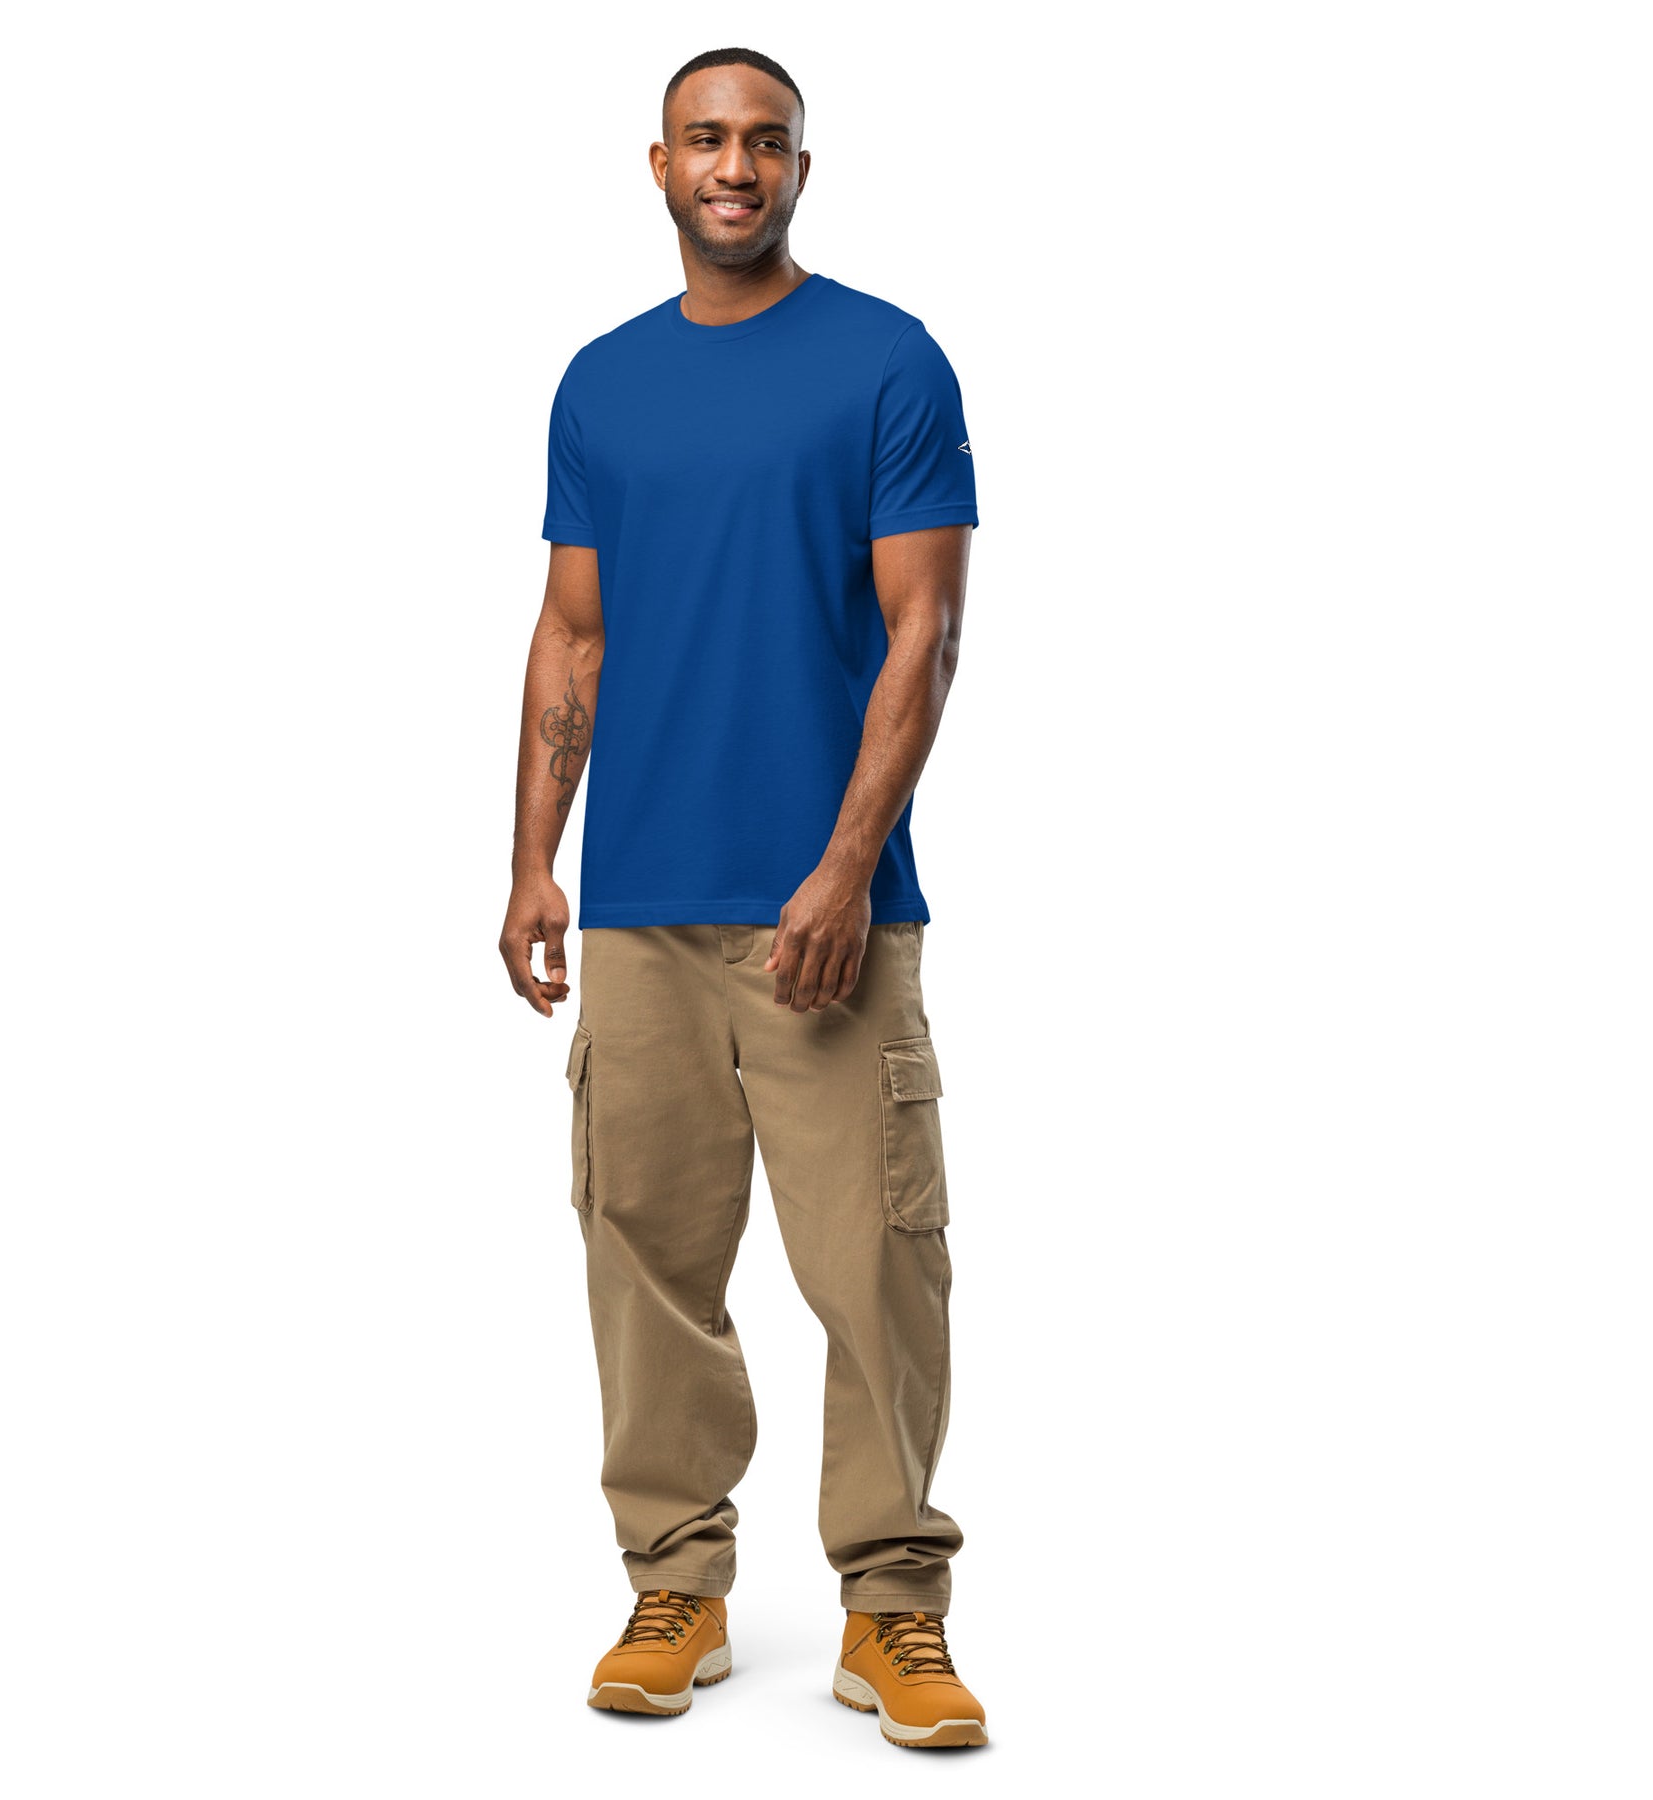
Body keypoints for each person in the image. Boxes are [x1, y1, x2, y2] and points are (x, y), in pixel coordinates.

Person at [499, 46, 987, 1751]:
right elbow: (574, 635)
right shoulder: (602, 384)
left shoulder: (888, 362)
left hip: (830, 913)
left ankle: (893, 1605)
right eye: (705, 140)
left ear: (799, 169)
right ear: (659, 165)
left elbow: (925, 631)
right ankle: (677, 1582)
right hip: (639, 905)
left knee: (877, 1266)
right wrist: (532, 861)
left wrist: (844, 869)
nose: (734, 166)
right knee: (642, 1252)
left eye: (764, 142)